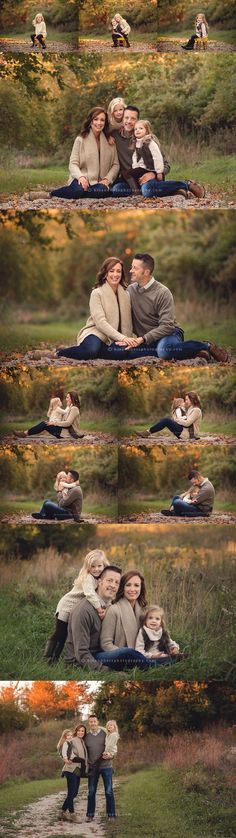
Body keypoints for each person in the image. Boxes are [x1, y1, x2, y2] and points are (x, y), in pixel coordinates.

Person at [101, 253, 229, 363]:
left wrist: (143, 339)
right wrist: (125, 338)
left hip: (169, 334)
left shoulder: (162, 292)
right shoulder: (130, 291)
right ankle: (193, 352)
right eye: (131, 267)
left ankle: (206, 346)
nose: (130, 271)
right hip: (148, 340)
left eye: (134, 268)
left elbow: (167, 326)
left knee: (164, 350)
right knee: (121, 352)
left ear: (146, 272)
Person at [111, 105, 205, 199]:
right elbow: (103, 126)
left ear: (138, 121)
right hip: (131, 181)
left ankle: (186, 184)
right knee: (117, 189)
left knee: (147, 191)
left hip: (150, 178)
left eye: (133, 118)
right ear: (122, 119)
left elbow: (166, 165)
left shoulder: (148, 139)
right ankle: (174, 191)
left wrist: (153, 174)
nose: (128, 121)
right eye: (126, 118)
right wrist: (107, 137)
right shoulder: (115, 137)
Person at [29, 107, 119, 201]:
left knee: (102, 191)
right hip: (81, 178)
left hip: (99, 183)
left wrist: (107, 179)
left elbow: (115, 165)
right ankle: (50, 194)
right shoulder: (80, 139)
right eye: (95, 119)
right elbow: (73, 164)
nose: (99, 123)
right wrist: (81, 177)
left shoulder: (110, 142)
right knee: (78, 191)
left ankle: (68, 191)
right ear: (90, 121)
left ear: (105, 122)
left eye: (102, 120)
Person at [56, 257, 134, 361]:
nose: (115, 274)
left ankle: (80, 350)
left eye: (118, 271)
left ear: (122, 274)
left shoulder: (126, 295)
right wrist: (123, 338)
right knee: (91, 350)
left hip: (114, 338)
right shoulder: (97, 293)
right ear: (105, 273)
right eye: (111, 271)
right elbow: (100, 322)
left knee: (123, 353)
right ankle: (58, 353)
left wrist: (127, 338)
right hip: (96, 333)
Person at [44, 549, 110, 662]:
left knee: (67, 634)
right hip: (67, 606)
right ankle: (49, 659)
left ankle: (59, 659)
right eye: (93, 566)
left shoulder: (100, 578)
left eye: (99, 566)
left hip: (75, 610)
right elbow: (90, 594)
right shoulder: (88, 578)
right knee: (60, 633)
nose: (96, 569)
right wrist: (99, 609)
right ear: (88, 567)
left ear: (104, 565)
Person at [65, 565, 122, 671]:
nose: (113, 585)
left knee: (129, 653)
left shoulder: (109, 607)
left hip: (100, 655)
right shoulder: (83, 610)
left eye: (117, 582)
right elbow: (81, 653)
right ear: (99, 582)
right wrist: (108, 671)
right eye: (109, 580)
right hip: (78, 664)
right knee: (127, 654)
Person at [98, 570, 157, 670]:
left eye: (136, 585)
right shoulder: (114, 610)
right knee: (128, 652)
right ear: (122, 588)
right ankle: (155, 663)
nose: (132, 589)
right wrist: (129, 655)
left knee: (158, 652)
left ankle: (161, 660)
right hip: (114, 655)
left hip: (138, 655)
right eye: (128, 585)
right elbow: (105, 644)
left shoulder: (143, 612)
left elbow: (149, 639)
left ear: (141, 588)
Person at [13, 391, 83, 441]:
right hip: (63, 431)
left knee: (44, 424)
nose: (66, 399)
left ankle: (24, 433)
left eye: (67, 397)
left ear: (72, 398)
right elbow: (63, 420)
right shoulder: (70, 408)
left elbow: (68, 423)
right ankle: (25, 433)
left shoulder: (74, 409)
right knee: (45, 423)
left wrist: (54, 423)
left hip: (69, 434)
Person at [85, 714, 116, 822]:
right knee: (91, 791)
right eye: (91, 722)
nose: (93, 723)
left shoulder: (106, 733)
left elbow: (113, 746)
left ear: (98, 722)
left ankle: (111, 815)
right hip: (93, 768)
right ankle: (90, 815)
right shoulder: (86, 736)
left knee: (108, 791)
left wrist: (112, 755)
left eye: (94, 721)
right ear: (89, 723)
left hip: (106, 766)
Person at [57, 726, 88, 823]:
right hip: (71, 769)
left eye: (82, 731)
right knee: (71, 792)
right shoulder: (73, 740)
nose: (80, 732)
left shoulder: (82, 741)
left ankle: (62, 812)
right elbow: (62, 748)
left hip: (77, 770)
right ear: (76, 732)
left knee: (74, 793)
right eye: (79, 730)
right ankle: (72, 814)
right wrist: (65, 758)